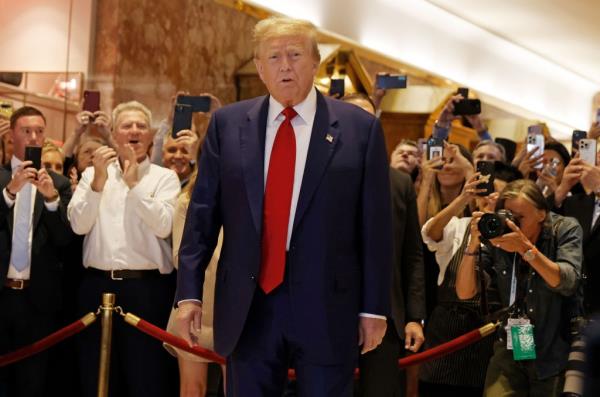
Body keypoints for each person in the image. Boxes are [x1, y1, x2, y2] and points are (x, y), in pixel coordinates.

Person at [173, 16, 392, 397]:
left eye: (295, 54)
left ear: (315, 62)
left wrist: (374, 309)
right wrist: (189, 294)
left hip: (327, 305)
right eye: (273, 57)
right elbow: (202, 217)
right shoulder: (227, 125)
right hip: (248, 306)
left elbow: (375, 228)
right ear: (260, 68)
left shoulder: (360, 130)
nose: (285, 65)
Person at [68, 100, 181, 397]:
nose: (134, 131)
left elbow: (165, 226)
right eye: (127, 126)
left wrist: (135, 187)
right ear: (114, 135)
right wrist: (97, 184)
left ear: (151, 135)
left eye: (141, 126)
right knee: (98, 376)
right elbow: (78, 225)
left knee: (147, 377)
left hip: (146, 290)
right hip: (96, 285)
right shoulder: (93, 175)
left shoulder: (164, 178)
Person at [456, 179, 583, 396]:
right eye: (507, 215)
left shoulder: (565, 228)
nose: (511, 223)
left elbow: (566, 281)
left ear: (542, 214)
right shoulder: (497, 237)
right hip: (511, 344)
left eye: (519, 217)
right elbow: (465, 292)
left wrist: (526, 249)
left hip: (554, 348)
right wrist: (473, 244)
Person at [419, 164, 519, 397]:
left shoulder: (514, 235)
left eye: (498, 197)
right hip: (448, 329)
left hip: (490, 329)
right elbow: (429, 231)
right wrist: (463, 197)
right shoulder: (458, 225)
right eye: (486, 194)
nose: (489, 201)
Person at [0, 106, 73, 397]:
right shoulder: (2, 178)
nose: (33, 136)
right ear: (11, 135)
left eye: (39, 131)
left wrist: (53, 200)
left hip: (38, 299)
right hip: (1, 294)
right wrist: (9, 192)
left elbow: (66, 239)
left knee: (34, 382)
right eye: (26, 130)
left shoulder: (59, 184)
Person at [553, 158, 600, 315]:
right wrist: (563, 187)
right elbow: (539, 223)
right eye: (596, 161)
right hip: (571, 305)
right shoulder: (575, 202)